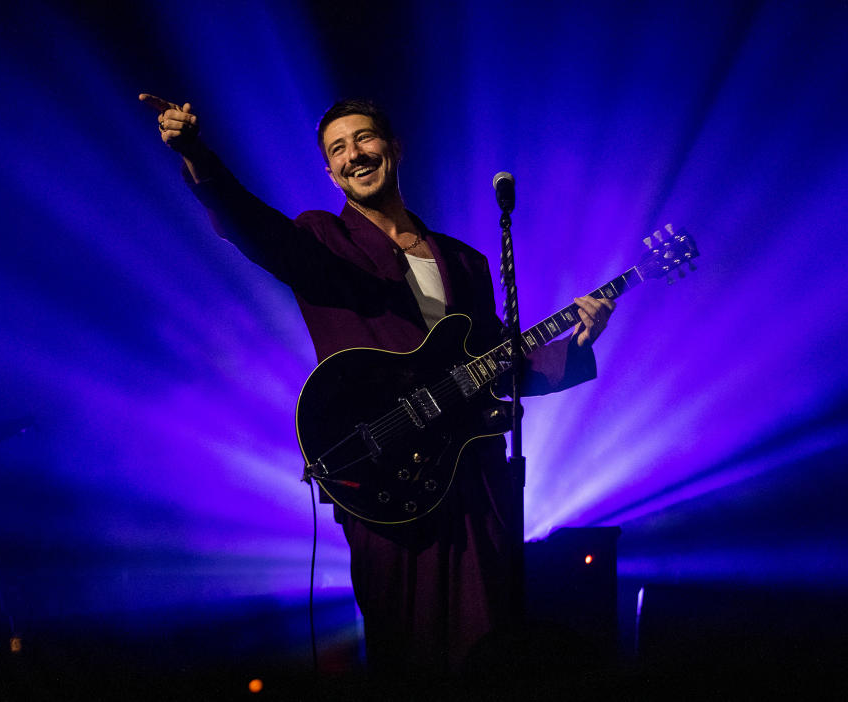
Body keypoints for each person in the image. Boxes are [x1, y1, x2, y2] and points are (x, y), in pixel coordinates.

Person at [139, 93, 616, 677]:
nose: (354, 155)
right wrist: (196, 154)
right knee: (408, 651)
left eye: (364, 139)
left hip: (470, 474)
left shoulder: (465, 262)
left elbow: (497, 363)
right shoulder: (321, 239)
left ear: (394, 148)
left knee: (490, 644)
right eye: (337, 149)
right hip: (386, 471)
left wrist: (576, 347)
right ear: (329, 170)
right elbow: (251, 226)